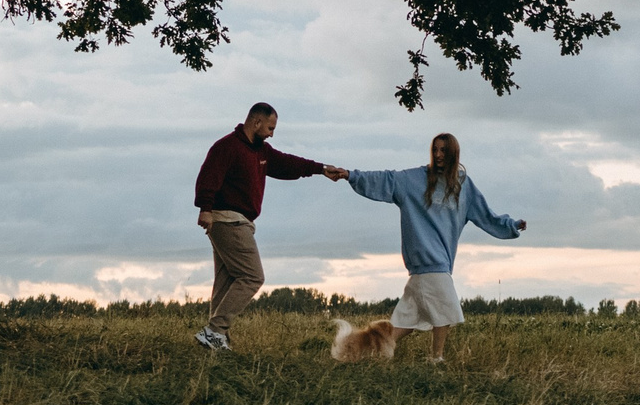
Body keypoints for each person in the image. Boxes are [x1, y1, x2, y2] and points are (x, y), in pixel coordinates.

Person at [345, 132, 525, 363]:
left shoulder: (463, 186)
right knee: (447, 310)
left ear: (453, 153)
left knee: (404, 325)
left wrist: (512, 226)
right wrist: (351, 175)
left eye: (443, 150)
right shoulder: (414, 180)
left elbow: (486, 215)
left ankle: (359, 351)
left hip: (434, 265)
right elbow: (385, 179)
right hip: (428, 261)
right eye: (435, 150)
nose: (439, 155)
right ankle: (436, 359)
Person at [193, 103, 348, 352]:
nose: (271, 134)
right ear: (256, 122)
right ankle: (214, 331)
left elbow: (289, 164)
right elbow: (208, 176)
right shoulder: (227, 147)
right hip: (228, 219)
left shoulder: (261, 152)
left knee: (228, 279)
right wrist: (205, 208)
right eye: (270, 128)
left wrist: (320, 169)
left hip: (238, 221)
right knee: (252, 276)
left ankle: (217, 338)